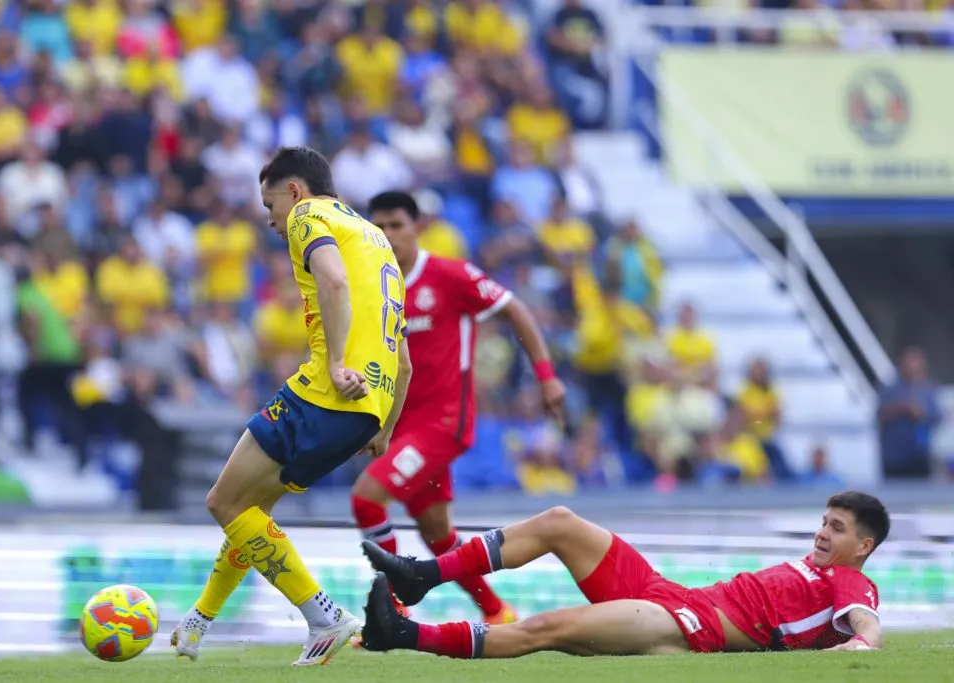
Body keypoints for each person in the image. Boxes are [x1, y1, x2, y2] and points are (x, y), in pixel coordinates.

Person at [171, 147, 413, 667]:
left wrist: (338, 365)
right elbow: (405, 359)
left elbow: (333, 280)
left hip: (328, 392)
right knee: (249, 513)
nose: (270, 218)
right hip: (367, 407)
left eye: (270, 203)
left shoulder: (310, 215)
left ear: (295, 190)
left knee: (223, 502)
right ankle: (199, 622)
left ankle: (323, 615)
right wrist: (384, 426)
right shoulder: (374, 237)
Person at [350, 191, 566, 628]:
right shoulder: (373, 286)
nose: (389, 236)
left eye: (397, 226)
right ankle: (497, 611)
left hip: (444, 422)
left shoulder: (450, 276)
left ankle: (394, 609)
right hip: (401, 427)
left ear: (418, 228)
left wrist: (545, 375)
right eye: (381, 228)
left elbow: (516, 310)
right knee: (438, 536)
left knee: (366, 499)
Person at [359, 491, 889, 658]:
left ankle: (401, 634)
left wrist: (857, 648)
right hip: (673, 594)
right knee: (559, 523)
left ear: (862, 546)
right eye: (823, 522)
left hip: (686, 624)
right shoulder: (819, 566)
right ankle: (421, 576)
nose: (822, 533)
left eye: (837, 528)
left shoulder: (848, 581)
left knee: (552, 627)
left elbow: (867, 626)